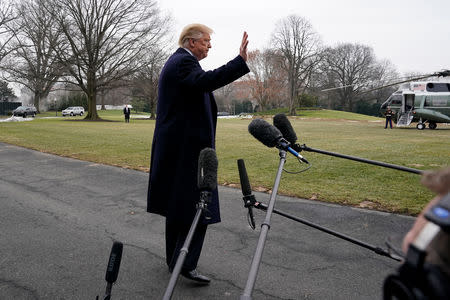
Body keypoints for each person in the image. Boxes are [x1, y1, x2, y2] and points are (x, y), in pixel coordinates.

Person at [147, 24, 250, 284]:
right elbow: (207, 81)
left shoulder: (181, 61)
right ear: (191, 42)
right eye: (205, 41)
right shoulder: (183, 63)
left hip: (179, 151)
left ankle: (176, 261)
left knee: (177, 206)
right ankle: (186, 264)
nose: (209, 45)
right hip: (187, 153)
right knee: (199, 205)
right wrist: (239, 62)